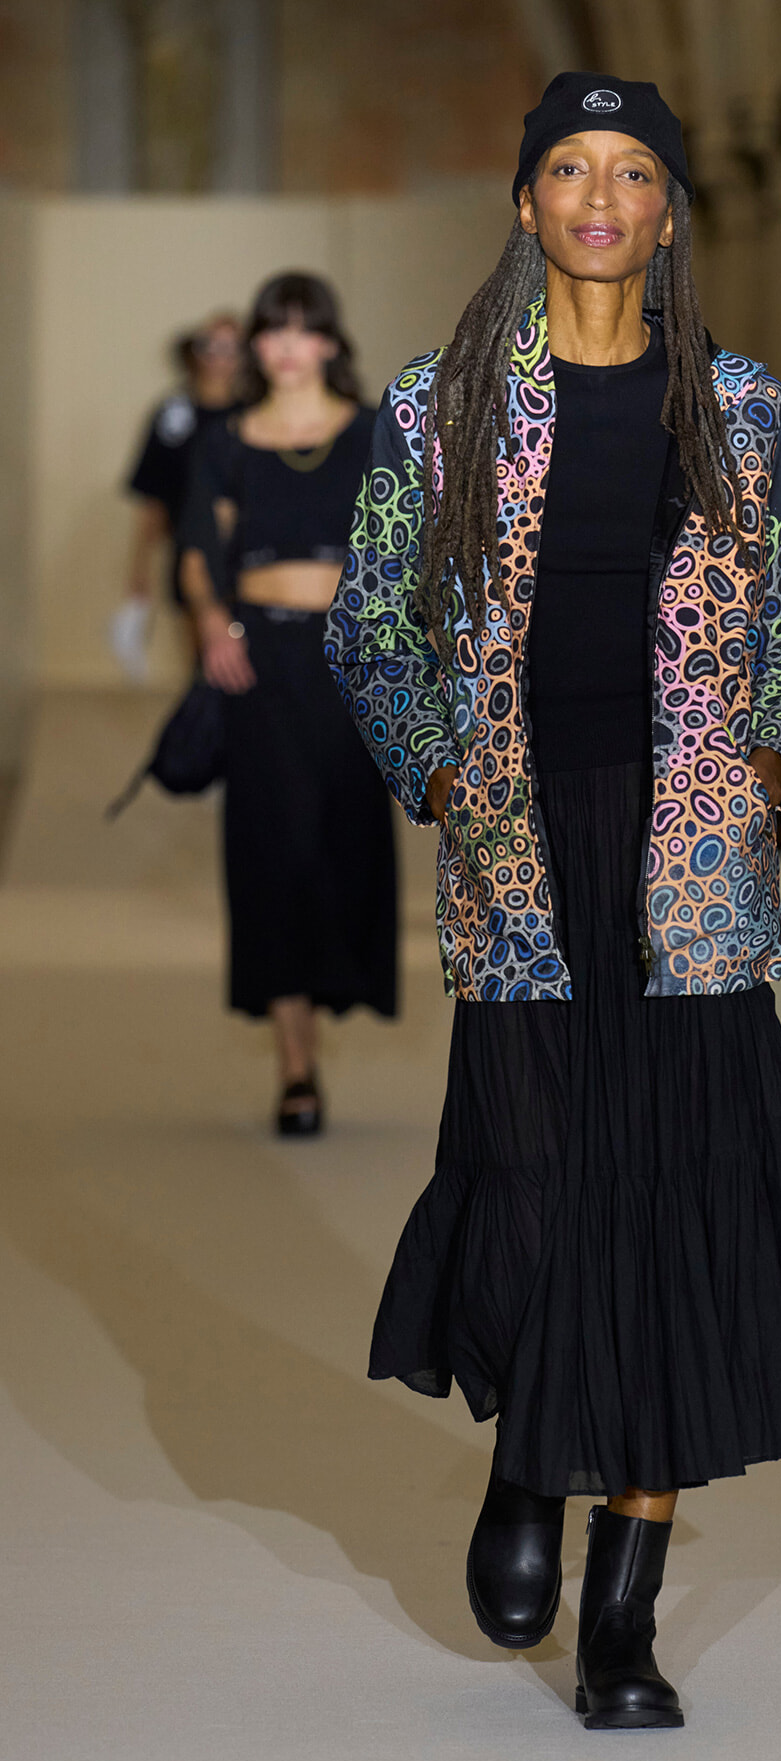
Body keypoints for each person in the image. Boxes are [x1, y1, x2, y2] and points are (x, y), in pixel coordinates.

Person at [325, 72, 781, 1729]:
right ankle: (524, 1456)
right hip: (517, 848)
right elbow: (368, 622)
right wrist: (434, 775)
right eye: (572, 165)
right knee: (529, 1200)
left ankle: (622, 1612)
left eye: (634, 170)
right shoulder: (437, 407)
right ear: (526, 200)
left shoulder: (746, 408)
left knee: (674, 1227)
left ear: (669, 209)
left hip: (691, 863)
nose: (603, 195)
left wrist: (770, 767)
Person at [179, 273, 397, 1135]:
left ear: (332, 343)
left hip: (351, 662)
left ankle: (333, 991)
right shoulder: (227, 439)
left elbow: (409, 541)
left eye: (305, 330)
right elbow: (201, 545)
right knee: (272, 852)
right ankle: (295, 1069)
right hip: (259, 661)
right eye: (275, 329)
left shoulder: (376, 432)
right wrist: (208, 620)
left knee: (340, 844)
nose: (287, 345)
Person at [113, 313, 243, 679]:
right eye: (210, 346)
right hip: (191, 553)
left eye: (231, 348)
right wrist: (139, 568)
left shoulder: (255, 415)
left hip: (248, 554)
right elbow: (152, 497)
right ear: (194, 352)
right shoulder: (173, 415)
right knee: (203, 666)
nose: (219, 357)